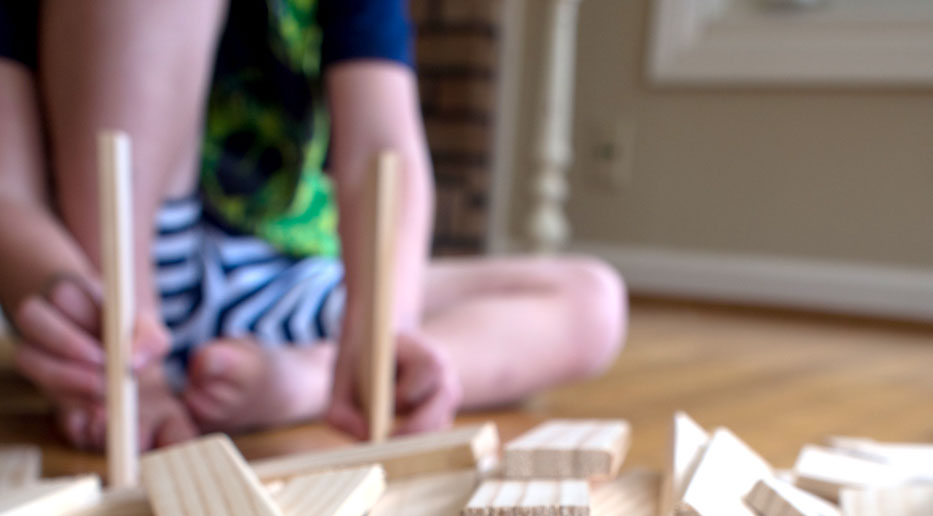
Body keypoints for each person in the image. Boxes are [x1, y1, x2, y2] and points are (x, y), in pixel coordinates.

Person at [0, 0, 626, 450]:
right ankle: (139, 377)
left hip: (279, 286)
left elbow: (381, 152)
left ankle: (313, 378)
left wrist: (382, 327)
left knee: (592, 302)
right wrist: (69, 299)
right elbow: (9, 193)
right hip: (117, 280)